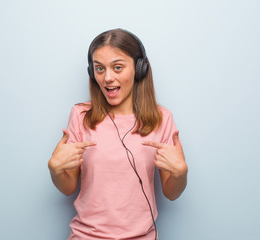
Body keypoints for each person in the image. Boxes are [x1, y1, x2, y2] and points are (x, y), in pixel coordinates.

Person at [48, 28, 188, 240]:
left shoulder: (162, 118)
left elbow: (171, 193)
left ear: (139, 69)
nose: (107, 78)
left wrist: (180, 173)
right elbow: (68, 188)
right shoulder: (80, 115)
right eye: (99, 69)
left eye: (118, 67)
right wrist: (56, 170)